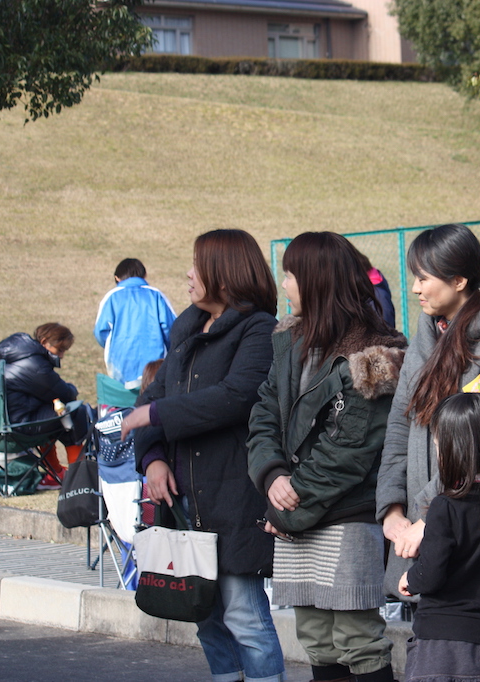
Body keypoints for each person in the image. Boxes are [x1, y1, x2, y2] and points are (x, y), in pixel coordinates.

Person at [119, 230, 285, 682]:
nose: (188, 275)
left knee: (245, 617)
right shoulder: (186, 328)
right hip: (184, 503)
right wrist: (153, 458)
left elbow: (235, 397)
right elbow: (151, 396)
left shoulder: (259, 330)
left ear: (225, 275)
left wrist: (156, 413)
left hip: (234, 500)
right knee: (204, 615)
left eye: (197, 265)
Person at [247, 231, 406, 682]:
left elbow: (350, 451)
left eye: (290, 275)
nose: (284, 285)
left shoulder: (375, 353)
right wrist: (272, 475)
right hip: (293, 508)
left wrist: (286, 506)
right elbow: (263, 414)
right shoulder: (290, 342)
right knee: (316, 639)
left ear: (317, 281)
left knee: (358, 640)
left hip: (345, 514)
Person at [375, 223, 480, 607]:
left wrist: (428, 516)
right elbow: (400, 425)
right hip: (415, 523)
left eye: (423, 278)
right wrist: (392, 509)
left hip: (466, 523)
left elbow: (479, 443)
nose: (415, 289)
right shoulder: (424, 337)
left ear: (459, 281)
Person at [397, 393, 480, 682]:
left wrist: (411, 578)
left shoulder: (444, 507)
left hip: (440, 643)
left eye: (439, 446)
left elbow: (431, 573)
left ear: (456, 451)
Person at [0, 322, 89, 487]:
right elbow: (64, 393)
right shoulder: (35, 365)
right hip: (21, 427)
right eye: (60, 349)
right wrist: (73, 388)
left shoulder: (11, 357)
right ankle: (78, 477)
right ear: (44, 342)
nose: (61, 356)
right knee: (75, 412)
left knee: (56, 414)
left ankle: (55, 473)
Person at [94, 258, 177, 390]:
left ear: (117, 278)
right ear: (144, 275)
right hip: (155, 363)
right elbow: (171, 328)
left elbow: (101, 331)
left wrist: (114, 345)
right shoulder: (156, 295)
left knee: (124, 398)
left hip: (119, 362)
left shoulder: (112, 296)